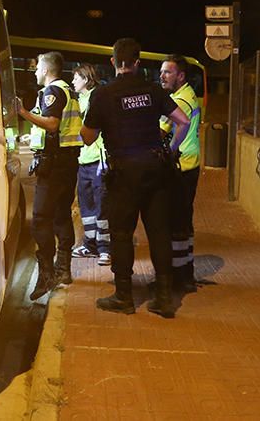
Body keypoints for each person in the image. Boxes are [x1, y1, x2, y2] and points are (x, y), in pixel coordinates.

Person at [81, 38, 190, 318]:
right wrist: (171, 150)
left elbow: (88, 136)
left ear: (113, 62)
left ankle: (124, 296)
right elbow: (183, 122)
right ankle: (164, 298)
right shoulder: (152, 89)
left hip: (123, 174)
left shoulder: (104, 94)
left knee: (121, 234)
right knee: (159, 233)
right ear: (138, 63)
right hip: (155, 169)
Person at [15, 51, 83, 301]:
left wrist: (23, 112)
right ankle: (64, 270)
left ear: (46, 69)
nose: (34, 71)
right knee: (61, 214)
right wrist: (31, 137)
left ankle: (47, 274)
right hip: (67, 162)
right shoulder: (69, 90)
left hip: (54, 165)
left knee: (40, 218)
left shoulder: (52, 92)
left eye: (37, 67)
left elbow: (52, 124)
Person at [160, 55, 203, 293]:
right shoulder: (187, 95)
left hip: (180, 168)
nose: (162, 75)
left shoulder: (180, 101)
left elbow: (160, 131)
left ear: (181, 76)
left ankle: (177, 278)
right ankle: (185, 274)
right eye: (162, 71)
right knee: (184, 223)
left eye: (168, 72)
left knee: (174, 223)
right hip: (189, 165)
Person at [70, 63, 111, 266]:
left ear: (86, 79)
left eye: (76, 78)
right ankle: (90, 245)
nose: (73, 81)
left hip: (99, 158)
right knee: (86, 206)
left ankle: (105, 249)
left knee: (102, 205)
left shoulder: (98, 97)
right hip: (83, 159)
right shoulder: (78, 100)